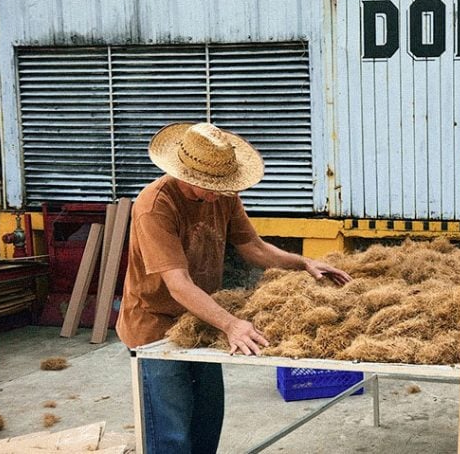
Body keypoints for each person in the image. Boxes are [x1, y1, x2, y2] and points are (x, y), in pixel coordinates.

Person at [117, 122, 351, 454]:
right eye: (209, 186)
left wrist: (303, 263)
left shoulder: (223, 196)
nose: (218, 193)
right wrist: (231, 324)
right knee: (171, 434)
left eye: (223, 185)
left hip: (203, 321)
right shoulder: (155, 206)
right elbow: (178, 285)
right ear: (186, 173)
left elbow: (253, 247)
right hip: (156, 328)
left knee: (208, 420)